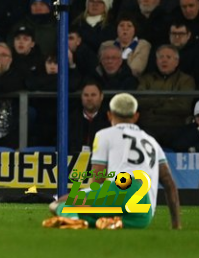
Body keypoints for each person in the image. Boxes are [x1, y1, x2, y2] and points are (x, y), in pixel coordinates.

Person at [44, 93, 181, 230]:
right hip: (144, 211)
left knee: (59, 204)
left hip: (122, 187)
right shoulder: (152, 142)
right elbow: (169, 183)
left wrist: (82, 198)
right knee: (97, 219)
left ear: (109, 115)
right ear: (136, 116)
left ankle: (72, 219)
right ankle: (110, 222)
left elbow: (98, 179)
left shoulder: (105, 135)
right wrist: (176, 224)